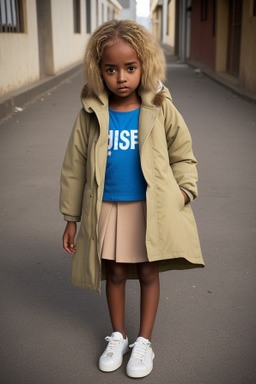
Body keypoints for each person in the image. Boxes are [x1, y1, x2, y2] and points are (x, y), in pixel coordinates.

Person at [60, 19, 204, 379]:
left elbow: (182, 152)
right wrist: (71, 217)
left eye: (130, 68)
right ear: (99, 70)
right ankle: (119, 335)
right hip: (107, 206)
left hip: (148, 207)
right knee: (117, 272)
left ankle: (144, 341)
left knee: (149, 270)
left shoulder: (159, 106)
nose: (121, 77)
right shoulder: (91, 113)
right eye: (111, 69)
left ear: (145, 66)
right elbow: (74, 165)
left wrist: (186, 188)